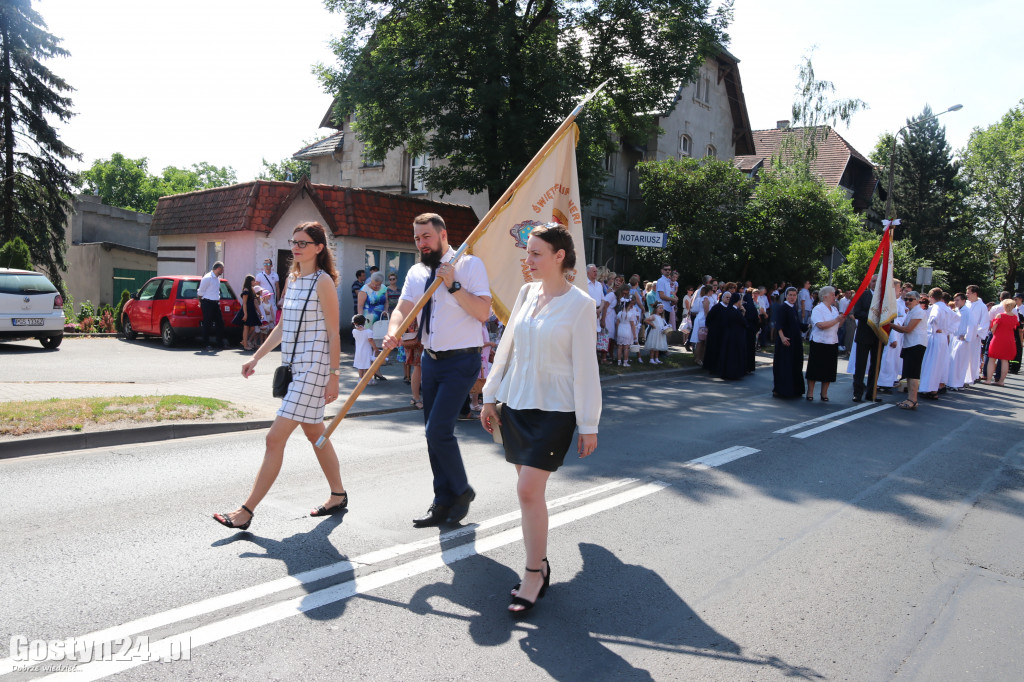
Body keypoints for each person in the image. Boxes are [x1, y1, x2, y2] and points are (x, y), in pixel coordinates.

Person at [479, 223, 600, 614]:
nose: (527, 261)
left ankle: (533, 572)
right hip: (516, 404)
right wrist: (489, 397)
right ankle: (541, 563)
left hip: (556, 410)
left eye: (535, 254)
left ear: (558, 256)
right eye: (527, 252)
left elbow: (586, 368)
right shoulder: (526, 293)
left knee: (528, 491)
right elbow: (506, 347)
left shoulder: (581, 304)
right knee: (530, 495)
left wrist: (589, 423)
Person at [213, 222, 346, 531]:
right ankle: (338, 494)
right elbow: (284, 327)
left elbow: (333, 333)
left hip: (315, 369)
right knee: (316, 435)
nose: (296, 247)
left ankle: (246, 511)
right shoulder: (295, 278)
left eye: (303, 242)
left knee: (274, 438)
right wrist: (256, 357)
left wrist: (335, 375)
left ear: (318, 248)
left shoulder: (323, 281)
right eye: (294, 242)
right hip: (295, 367)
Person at [382, 212, 491, 528]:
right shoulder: (416, 272)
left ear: (443, 235)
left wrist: (453, 284)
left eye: (426, 236)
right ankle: (442, 500)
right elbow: (403, 308)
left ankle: (461, 490)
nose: (420, 243)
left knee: (437, 431)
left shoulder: (469, 265)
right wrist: (393, 330)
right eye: (416, 238)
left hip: (462, 359)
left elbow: (483, 312)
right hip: (430, 360)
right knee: (434, 436)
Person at [805, 286, 843, 401]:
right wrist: (837, 320)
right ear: (825, 296)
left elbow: (837, 326)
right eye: (832, 294)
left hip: (832, 341)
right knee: (815, 368)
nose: (834, 297)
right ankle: (810, 392)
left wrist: (842, 319)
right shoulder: (818, 309)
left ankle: (824, 393)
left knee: (829, 369)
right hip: (819, 342)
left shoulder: (834, 309)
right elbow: (821, 325)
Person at [890, 290, 927, 409]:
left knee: (913, 374)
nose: (908, 301)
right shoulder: (911, 312)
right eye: (906, 299)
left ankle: (913, 399)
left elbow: (908, 329)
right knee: (909, 374)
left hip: (916, 345)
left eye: (911, 299)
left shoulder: (918, 312)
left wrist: (890, 325)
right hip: (910, 344)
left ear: (917, 300)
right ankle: (910, 398)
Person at [918, 288, 955, 399]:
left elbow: (933, 320)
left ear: (932, 297)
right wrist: (946, 330)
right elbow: (956, 320)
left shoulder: (936, 307)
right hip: (943, 337)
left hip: (935, 337)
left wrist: (934, 328)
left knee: (931, 363)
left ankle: (928, 389)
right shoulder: (946, 308)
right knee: (939, 364)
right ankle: (934, 388)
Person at [851, 275, 881, 402]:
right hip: (864, 335)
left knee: (875, 366)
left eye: (877, 281)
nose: (875, 283)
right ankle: (858, 392)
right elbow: (857, 313)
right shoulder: (863, 295)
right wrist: (872, 317)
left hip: (878, 336)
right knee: (860, 365)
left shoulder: (885, 298)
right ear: (870, 283)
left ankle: (871, 393)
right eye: (873, 281)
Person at [772, 287, 805, 399]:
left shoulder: (793, 308)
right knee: (785, 366)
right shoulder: (783, 307)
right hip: (786, 341)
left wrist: (809, 326)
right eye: (790, 295)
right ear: (786, 295)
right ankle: (783, 390)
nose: (792, 297)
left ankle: (794, 389)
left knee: (794, 365)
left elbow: (796, 324)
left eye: (794, 295)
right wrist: (782, 338)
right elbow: (779, 324)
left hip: (795, 341)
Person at [985, 298, 1019, 385]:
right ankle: (1001, 381)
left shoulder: (1000, 316)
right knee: (1005, 360)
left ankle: (988, 379)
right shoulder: (1015, 317)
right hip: (1009, 340)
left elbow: (993, 329)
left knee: (992, 359)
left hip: (998, 339)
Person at [718, 292, 748, 380]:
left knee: (727, 354)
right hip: (736, 337)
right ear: (738, 301)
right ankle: (733, 373)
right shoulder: (736, 311)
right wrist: (744, 312)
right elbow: (744, 323)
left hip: (728, 336)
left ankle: (725, 372)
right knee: (734, 356)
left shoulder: (728, 309)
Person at [963, 285, 988, 385]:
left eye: (968, 293)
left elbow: (985, 322)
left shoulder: (982, 306)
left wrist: (977, 332)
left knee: (972, 357)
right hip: (963, 334)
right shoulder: (966, 304)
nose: (966, 295)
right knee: (963, 356)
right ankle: (962, 376)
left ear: (975, 294)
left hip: (974, 336)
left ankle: (971, 377)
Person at [198, 261, 226, 350]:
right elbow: (200, 292)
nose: (223, 271)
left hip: (215, 303)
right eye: (222, 269)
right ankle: (206, 344)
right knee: (207, 323)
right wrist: (201, 302)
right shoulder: (207, 278)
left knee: (220, 323)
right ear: (218, 268)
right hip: (207, 303)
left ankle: (220, 343)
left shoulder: (217, 278)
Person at [351, 314, 377, 383]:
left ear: (355, 323)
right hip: (367, 351)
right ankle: (368, 379)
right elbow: (370, 340)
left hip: (358, 351)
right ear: (364, 322)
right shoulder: (369, 332)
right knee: (367, 365)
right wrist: (375, 348)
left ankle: (360, 378)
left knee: (360, 366)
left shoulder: (354, 331)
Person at [238, 274, 262, 351]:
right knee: (246, 327)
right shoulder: (246, 290)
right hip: (246, 310)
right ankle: (245, 345)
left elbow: (255, 301)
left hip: (252, 310)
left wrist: (259, 312)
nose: (255, 282)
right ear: (250, 281)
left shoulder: (252, 289)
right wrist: (245, 314)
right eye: (253, 281)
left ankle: (244, 341)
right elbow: (244, 303)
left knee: (252, 327)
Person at [615, 296, 637, 366]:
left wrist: (616, 332)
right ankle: (625, 362)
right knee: (626, 348)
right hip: (627, 330)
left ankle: (619, 361)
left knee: (619, 347)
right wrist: (634, 335)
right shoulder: (631, 314)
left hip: (620, 330)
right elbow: (632, 325)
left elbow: (617, 323)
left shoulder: (619, 313)